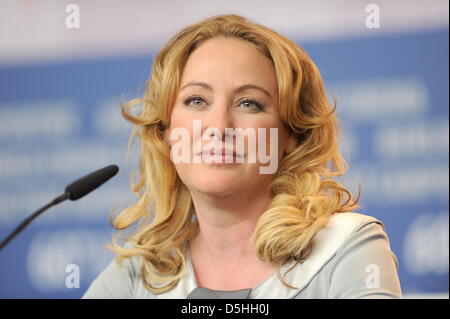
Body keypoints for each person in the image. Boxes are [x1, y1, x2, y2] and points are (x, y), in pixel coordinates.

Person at [83, 14, 402, 299]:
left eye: (249, 103)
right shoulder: (142, 273)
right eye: (196, 101)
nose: (219, 127)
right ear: (166, 131)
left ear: (291, 135)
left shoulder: (343, 246)